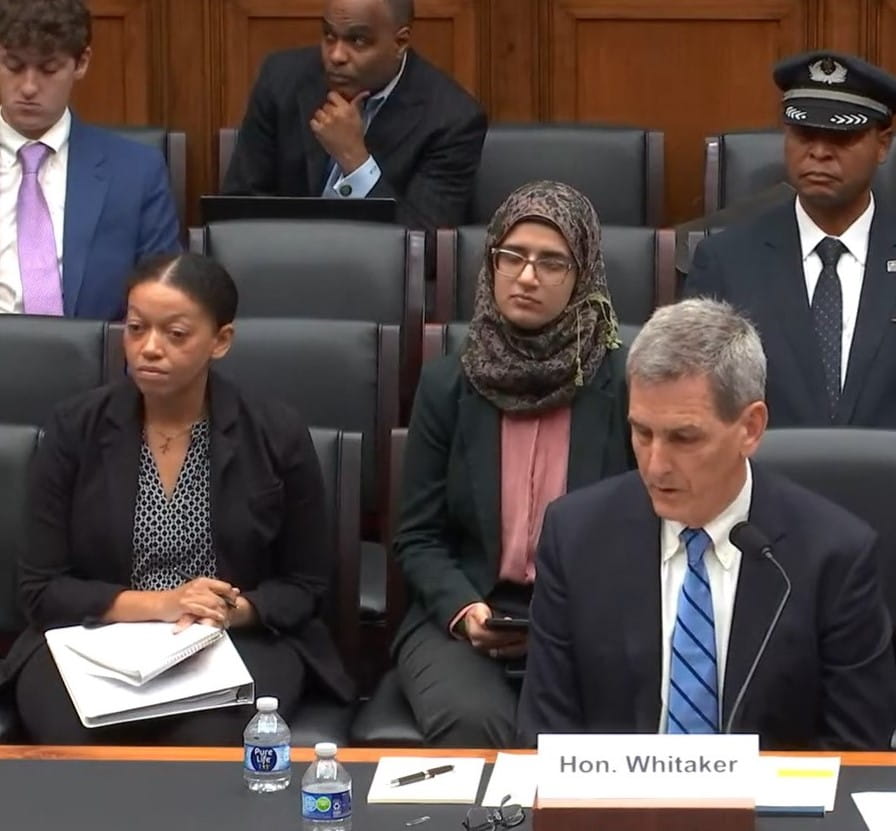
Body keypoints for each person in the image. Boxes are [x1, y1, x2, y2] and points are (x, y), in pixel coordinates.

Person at [516, 298, 896, 750]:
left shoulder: (833, 555)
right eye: (642, 433)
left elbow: (856, 747)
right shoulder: (575, 536)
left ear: (751, 428)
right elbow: (546, 734)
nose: (656, 466)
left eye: (684, 437)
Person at [4, 253, 354, 744]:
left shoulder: (275, 434)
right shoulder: (74, 429)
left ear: (221, 341)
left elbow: (305, 584)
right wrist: (164, 604)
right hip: (93, 638)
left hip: (234, 640)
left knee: (205, 740)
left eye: (175, 334)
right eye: (135, 328)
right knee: (78, 737)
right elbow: (41, 589)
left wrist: (236, 611)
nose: (149, 348)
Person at [682, 51, 896, 477]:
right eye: (803, 134)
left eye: (840, 138)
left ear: (882, 145)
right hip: (760, 502)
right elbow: (693, 396)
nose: (818, 153)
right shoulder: (725, 260)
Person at [393, 181, 631, 747]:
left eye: (552, 262)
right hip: (466, 612)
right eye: (512, 256)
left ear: (584, 277)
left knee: (584, 733)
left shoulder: (622, 384)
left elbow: (644, 530)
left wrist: (566, 620)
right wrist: (464, 609)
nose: (526, 276)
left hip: (589, 617)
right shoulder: (448, 382)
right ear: (491, 260)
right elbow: (417, 537)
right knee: (474, 723)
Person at [223, 0, 486, 231]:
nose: (335, 55)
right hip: (278, 264)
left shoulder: (452, 119)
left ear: (400, 42)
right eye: (328, 35)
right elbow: (238, 207)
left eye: (357, 40)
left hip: (379, 281)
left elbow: (424, 245)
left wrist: (355, 161)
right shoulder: (281, 79)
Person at [0, 0, 180, 319]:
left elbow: (161, 301)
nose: (28, 87)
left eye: (48, 69)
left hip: (92, 363)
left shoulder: (136, 172)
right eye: (13, 66)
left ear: (81, 63)